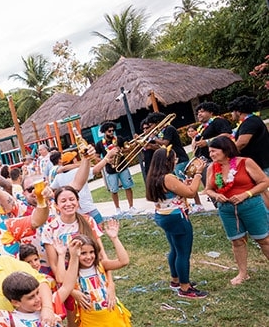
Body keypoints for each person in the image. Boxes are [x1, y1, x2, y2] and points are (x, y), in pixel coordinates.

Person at [203, 136, 269, 285]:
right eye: (210, 152)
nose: (211, 155)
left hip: (251, 205)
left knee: (263, 239)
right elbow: (208, 189)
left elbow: (265, 182)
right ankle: (242, 273)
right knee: (237, 241)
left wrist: (246, 194)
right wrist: (215, 195)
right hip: (227, 210)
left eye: (214, 151)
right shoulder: (212, 168)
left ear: (225, 149)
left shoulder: (245, 162)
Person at [145, 148, 208, 298]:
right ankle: (185, 288)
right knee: (183, 253)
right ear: (167, 162)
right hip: (176, 218)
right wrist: (198, 174)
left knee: (174, 249)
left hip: (163, 216)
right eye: (174, 159)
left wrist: (183, 185)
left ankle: (176, 280)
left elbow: (176, 191)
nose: (176, 161)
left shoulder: (153, 176)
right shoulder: (167, 177)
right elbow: (192, 193)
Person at [230, 95, 269, 208]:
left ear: (239, 111)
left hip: (258, 163)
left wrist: (229, 153)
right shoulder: (252, 121)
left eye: (232, 111)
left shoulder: (250, 123)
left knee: (261, 190)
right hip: (259, 161)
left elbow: (242, 142)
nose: (231, 114)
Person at [95, 122, 135, 213]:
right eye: (109, 131)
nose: (112, 132)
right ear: (104, 132)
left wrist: (122, 150)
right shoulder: (100, 144)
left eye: (113, 130)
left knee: (128, 186)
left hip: (123, 166)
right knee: (114, 190)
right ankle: (117, 209)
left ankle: (131, 207)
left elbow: (128, 148)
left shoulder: (119, 139)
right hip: (110, 169)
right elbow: (96, 157)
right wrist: (105, 160)